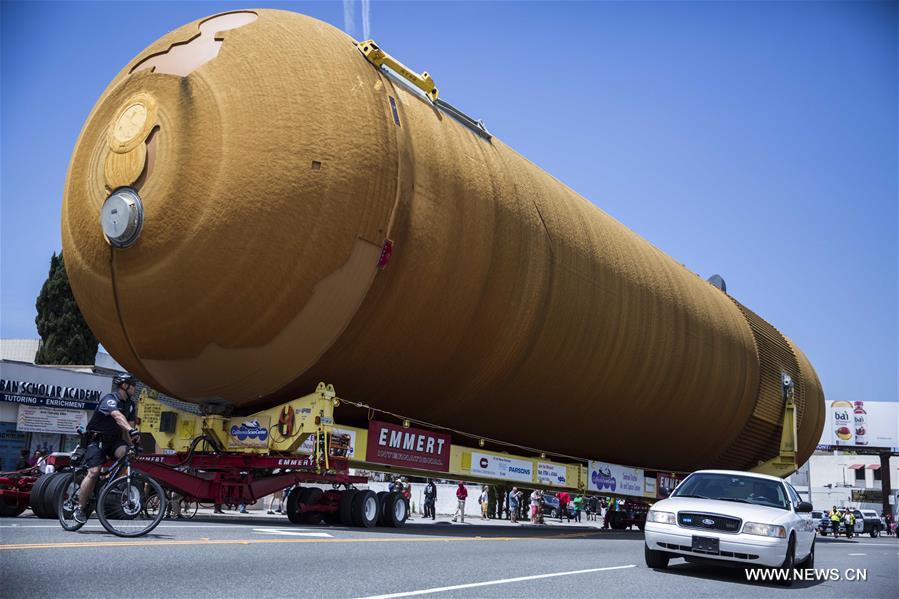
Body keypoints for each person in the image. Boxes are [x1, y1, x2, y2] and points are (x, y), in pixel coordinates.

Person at [74, 374, 142, 524]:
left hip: (114, 441)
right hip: (97, 440)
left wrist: (133, 441)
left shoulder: (130, 404)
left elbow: (128, 427)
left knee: (127, 453)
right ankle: (79, 508)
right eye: (133, 385)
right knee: (94, 471)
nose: (135, 388)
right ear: (124, 386)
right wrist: (130, 430)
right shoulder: (110, 399)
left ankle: (109, 483)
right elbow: (117, 416)